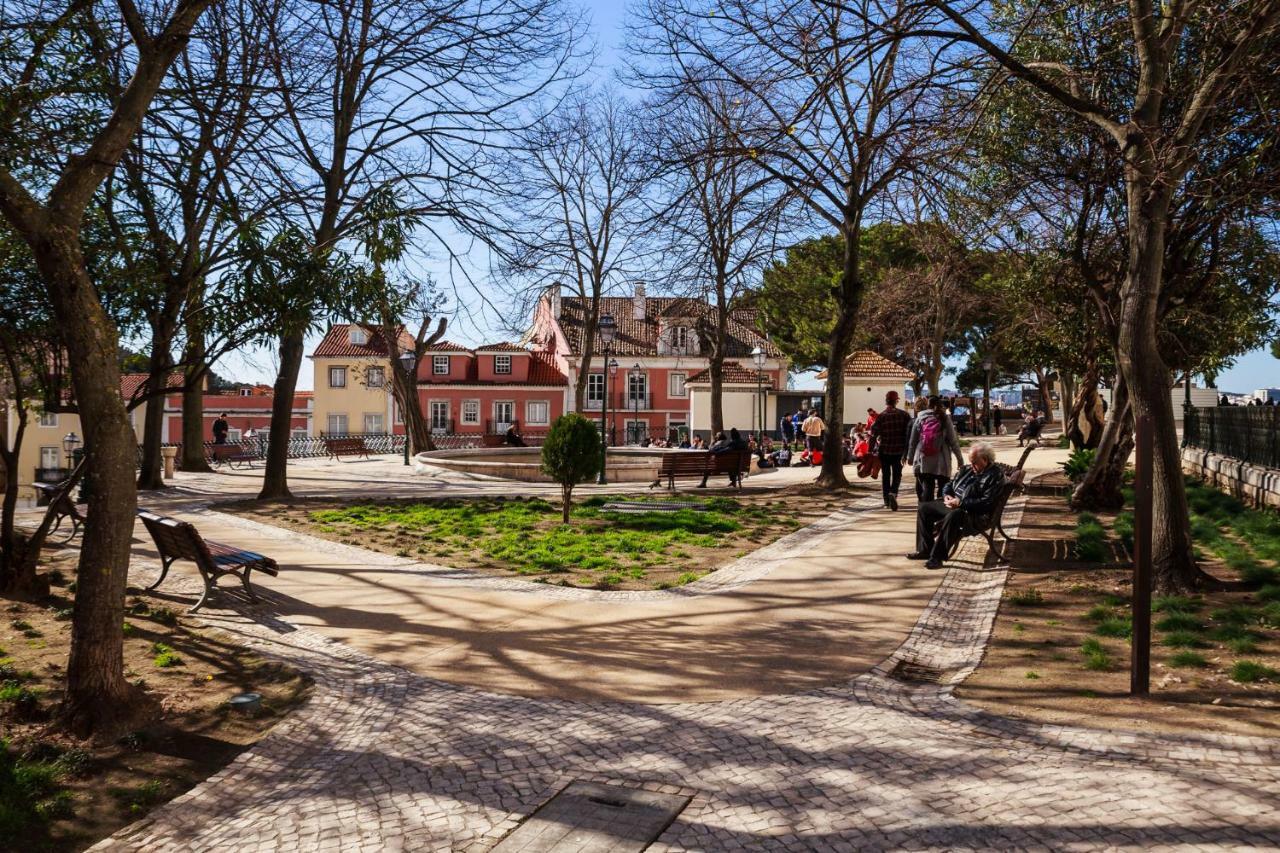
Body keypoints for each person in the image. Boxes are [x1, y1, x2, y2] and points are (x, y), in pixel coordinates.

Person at [908, 442, 1004, 569]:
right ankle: (925, 550)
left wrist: (961, 503)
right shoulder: (968, 470)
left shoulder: (995, 475)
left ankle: (937, 557)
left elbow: (986, 502)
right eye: (971, 462)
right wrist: (947, 494)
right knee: (924, 508)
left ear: (985, 460)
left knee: (955, 515)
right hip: (956, 505)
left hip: (975, 514)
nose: (972, 465)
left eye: (974, 462)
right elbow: (950, 484)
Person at [907, 396, 965, 503]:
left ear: (928, 405)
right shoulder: (944, 418)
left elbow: (913, 441)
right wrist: (960, 460)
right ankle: (940, 516)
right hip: (942, 459)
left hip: (924, 458)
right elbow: (953, 441)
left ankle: (926, 514)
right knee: (943, 491)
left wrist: (910, 458)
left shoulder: (920, 418)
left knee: (927, 490)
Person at [869, 390, 911, 510]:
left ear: (886, 401)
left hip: (884, 451)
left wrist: (870, 450)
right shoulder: (904, 415)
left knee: (885, 476)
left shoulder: (881, 416)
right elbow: (909, 435)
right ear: (896, 401)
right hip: (899, 451)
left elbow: (873, 435)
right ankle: (893, 493)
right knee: (897, 474)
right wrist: (908, 451)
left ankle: (887, 501)